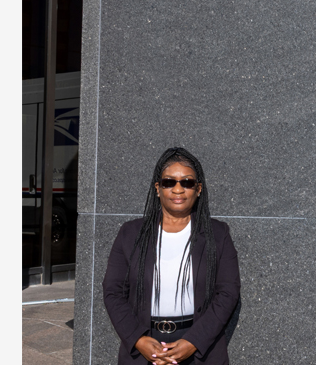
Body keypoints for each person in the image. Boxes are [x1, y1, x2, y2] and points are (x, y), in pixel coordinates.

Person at [103, 147, 241, 364]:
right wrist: (138, 339)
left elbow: (227, 293)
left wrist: (193, 341)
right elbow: (113, 292)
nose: (178, 189)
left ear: (198, 189)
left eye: (187, 182)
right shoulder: (130, 233)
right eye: (169, 182)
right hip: (144, 348)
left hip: (199, 349)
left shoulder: (218, 234)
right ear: (158, 188)